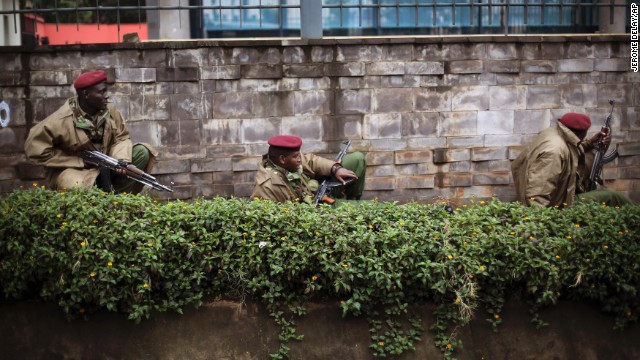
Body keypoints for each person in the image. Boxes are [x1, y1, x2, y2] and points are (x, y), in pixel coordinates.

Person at [24, 70, 156, 194]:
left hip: (106, 165)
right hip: (75, 170)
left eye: (106, 91)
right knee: (75, 184)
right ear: (86, 94)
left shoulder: (109, 110)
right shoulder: (60, 120)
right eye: (101, 92)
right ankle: (93, 207)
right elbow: (35, 151)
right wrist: (78, 161)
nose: (107, 95)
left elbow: (121, 137)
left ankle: (118, 200)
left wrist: (122, 161)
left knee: (142, 152)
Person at [511, 112, 635, 208]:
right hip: (559, 207)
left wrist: (590, 143)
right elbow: (536, 195)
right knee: (611, 196)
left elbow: (571, 148)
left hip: (558, 196)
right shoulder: (554, 152)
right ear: (581, 134)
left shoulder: (553, 133)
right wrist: (542, 228)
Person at [251, 135, 366, 204]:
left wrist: (335, 168)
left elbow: (311, 160)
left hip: (320, 194)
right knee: (366, 209)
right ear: (282, 159)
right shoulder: (266, 186)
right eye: (296, 156)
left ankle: (351, 198)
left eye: (299, 155)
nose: (300, 159)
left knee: (357, 158)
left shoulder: (289, 161)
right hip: (315, 213)